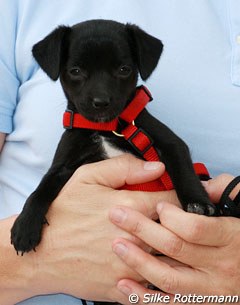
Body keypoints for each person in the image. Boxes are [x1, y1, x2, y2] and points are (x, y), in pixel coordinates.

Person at [0, 0, 239, 304]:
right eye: (77, 72)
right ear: (57, 66)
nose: (100, 95)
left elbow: (174, 148)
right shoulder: (15, 9)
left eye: (122, 70)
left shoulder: (140, 123)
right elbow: (56, 175)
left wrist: (195, 199)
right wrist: (34, 231)